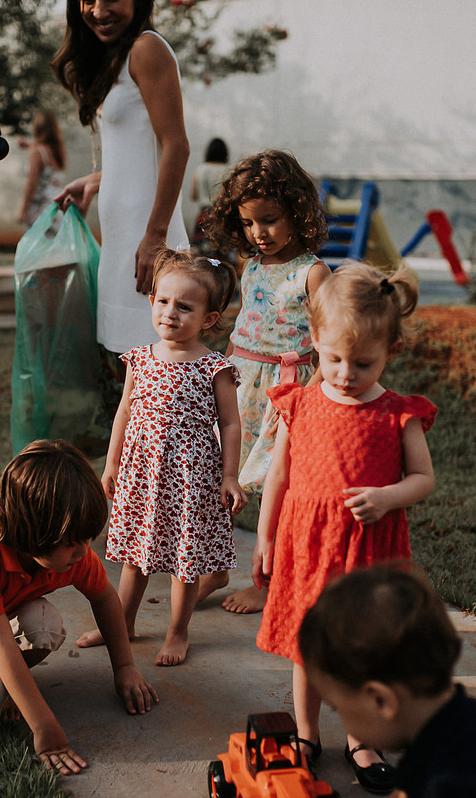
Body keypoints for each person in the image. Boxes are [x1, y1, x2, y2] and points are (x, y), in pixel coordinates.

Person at [252, 262, 437, 794]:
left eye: (363, 362)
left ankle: (361, 738)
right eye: (333, 358)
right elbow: (280, 475)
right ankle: (306, 733)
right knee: (309, 647)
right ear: (314, 341)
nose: (345, 373)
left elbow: (422, 479)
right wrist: (265, 538)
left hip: (368, 553)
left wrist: (387, 497)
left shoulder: (398, 414)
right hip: (307, 549)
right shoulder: (302, 403)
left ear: (391, 352)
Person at [0, 439, 158, 776]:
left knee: (48, 626)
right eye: (73, 542)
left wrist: (125, 667)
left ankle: (9, 684)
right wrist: (45, 729)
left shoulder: (73, 554)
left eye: (87, 540)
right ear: (31, 533)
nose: (83, 552)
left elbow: (104, 598)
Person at [76, 249, 246, 666]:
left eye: (185, 307)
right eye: (163, 301)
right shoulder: (140, 359)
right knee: (137, 556)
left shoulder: (214, 367)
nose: (170, 313)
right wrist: (112, 465)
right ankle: (124, 622)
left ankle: (178, 630)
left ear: (208, 319)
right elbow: (125, 412)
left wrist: (229, 476)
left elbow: (230, 424)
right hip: (141, 474)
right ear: (152, 302)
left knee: (183, 562)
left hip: (190, 478)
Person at [300, 567, 476, 797]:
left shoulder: (448, 781)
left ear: (381, 701)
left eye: (338, 709)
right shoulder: (464, 721)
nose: (343, 722)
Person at [196, 150, 331, 614]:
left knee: (280, 489)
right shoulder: (251, 265)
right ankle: (214, 565)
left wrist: (311, 397)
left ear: (297, 212)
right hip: (239, 386)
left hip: (285, 394)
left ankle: (268, 579)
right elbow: (245, 326)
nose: (260, 233)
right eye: (250, 224)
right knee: (218, 473)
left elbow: (328, 342)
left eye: (270, 220)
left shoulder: (314, 274)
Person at [52, 0, 191, 355]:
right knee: (127, 368)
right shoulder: (118, 56)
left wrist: (155, 237)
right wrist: (96, 181)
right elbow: (137, 149)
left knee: (156, 366)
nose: (98, 10)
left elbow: (176, 146)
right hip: (123, 241)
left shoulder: (147, 49)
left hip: (147, 240)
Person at [17, 110, 67, 227]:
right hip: (56, 211)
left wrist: (23, 211)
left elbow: (32, 183)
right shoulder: (58, 152)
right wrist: (30, 145)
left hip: (39, 212)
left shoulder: (36, 152)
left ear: (37, 128)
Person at [190, 137, 229, 259]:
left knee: (201, 256)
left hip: (204, 215)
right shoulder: (228, 170)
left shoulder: (201, 169)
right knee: (223, 255)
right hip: (222, 216)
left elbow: (193, 195)